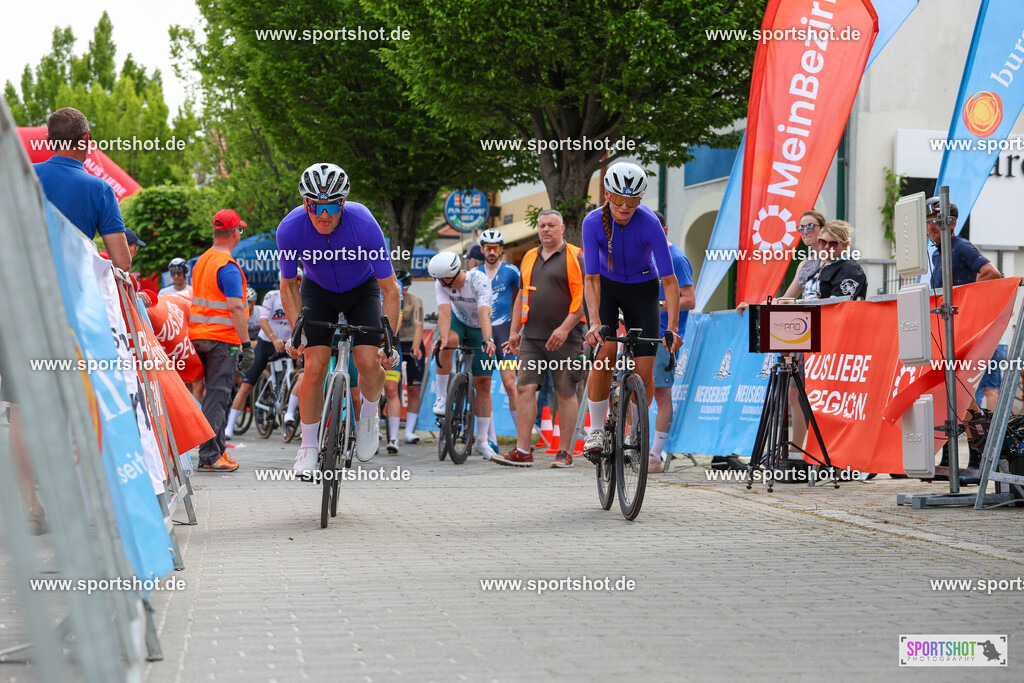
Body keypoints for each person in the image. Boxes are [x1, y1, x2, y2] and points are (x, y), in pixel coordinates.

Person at [279, 163, 401, 477]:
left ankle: (370, 418)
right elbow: (289, 284)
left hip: (363, 290)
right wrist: (297, 333)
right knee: (315, 365)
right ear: (305, 203)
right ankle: (307, 447)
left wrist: (389, 342)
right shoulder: (290, 228)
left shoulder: (363, 223)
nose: (323, 214)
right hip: (317, 291)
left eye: (332, 205)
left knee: (368, 361)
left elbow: (390, 288)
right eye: (315, 205)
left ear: (343, 203)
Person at [581, 162, 682, 456]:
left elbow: (670, 280)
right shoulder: (591, 222)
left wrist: (672, 328)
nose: (625, 207)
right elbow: (590, 278)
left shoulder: (649, 223)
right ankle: (596, 430)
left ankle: (637, 432)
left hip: (643, 287)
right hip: (607, 287)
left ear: (641, 199)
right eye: (618, 199)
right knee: (605, 353)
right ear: (608, 194)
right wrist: (595, 321)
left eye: (633, 201)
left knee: (645, 369)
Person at [492, 209, 586, 467]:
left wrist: (565, 328)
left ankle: (564, 452)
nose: (545, 229)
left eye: (551, 225)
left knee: (565, 391)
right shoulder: (529, 256)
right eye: (542, 225)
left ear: (562, 229)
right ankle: (523, 450)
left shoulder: (576, 256)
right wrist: (514, 331)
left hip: (566, 337)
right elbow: (521, 295)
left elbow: (585, 299)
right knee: (524, 388)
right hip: (531, 337)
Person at [736, 209, 825, 459]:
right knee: (793, 392)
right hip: (804, 331)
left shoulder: (831, 259)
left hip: (826, 332)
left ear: (822, 228)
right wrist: (756, 306)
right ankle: (796, 452)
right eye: (802, 228)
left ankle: (820, 452)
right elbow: (788, 298)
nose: (806, 232)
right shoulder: (806, 263)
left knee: (817, 393)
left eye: (811, 226)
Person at [189, 209, 255, 472]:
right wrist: (247, 344)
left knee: (212, 397)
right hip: (221, 341)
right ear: (235, 233)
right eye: (240, 229)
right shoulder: (227, 267)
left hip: (200, 337)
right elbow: (236, 308)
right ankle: (210, 456)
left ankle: (216, 452)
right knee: (217, 397)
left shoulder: (203, 260)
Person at [32, 107, 131, 272]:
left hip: (20, 284)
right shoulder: (101, 189)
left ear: (49, 141)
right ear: (86, 137)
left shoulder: (24, 175)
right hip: (72, 289)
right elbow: (122, 262)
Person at [428, 252, 498, 460]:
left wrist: (488, 339)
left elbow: (485, 312)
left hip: (480, 327)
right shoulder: (441, 283)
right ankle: (442, 397)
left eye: (442, 279)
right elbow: (444, 313)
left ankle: (483, 440)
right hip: (459, 323)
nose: (440, 283)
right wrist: (442, 338)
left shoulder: (479, 280)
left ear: (453, 273)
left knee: (484, 382)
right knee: (446, 342)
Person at [648, 211, 694, 473]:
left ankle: (656, 454)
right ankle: (634, 445)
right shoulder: (643, 255)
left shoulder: (676, 257)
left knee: (661, 394)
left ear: (663, 230)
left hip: (664, 337)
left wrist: (657, 305)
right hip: (639, 333)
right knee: (627, 388)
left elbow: (690, 299)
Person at [224, 283, 297, 439]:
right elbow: (262, 323)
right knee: (246, 385)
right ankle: (229, 427)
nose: (247, 306)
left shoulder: (300, 298)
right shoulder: (271, 296)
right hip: (260, 344)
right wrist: (271, 339)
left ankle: (283, 404)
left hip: (284, 343)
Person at [475, 229, 521, 451]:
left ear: (501, 249)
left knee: (510, 384)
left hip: (504, 332)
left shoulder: (512, 271)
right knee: (483, 385)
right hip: (482, 332)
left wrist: (518, 331)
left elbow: (526, 296)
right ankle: (490, 439)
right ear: (482, 249)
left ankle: (522, 442)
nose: (491, 252)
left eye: (495, 248)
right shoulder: (474, 273)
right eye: (487, 248)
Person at [926, 198, 1001, 288]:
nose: (930, 227)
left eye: (935, 221)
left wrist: (967, 297)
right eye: (926, 222)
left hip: (960, 303)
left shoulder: (961, 246)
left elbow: (991, 272)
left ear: (952, 223)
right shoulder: (936, 255)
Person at [396, 270, 426, 445]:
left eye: (406, 288)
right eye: (401, 287)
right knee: (392, 387)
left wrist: (416, 345)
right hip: (397, 342)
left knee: (414, 388)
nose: (404, 291)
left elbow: (419, 324)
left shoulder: (415, 300)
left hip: (412, 342)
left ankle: (409, 431)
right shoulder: (389, 296)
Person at [805, 220, 868, 301]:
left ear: (845, 245)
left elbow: (835, 305)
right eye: (823, 242)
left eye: (833, 243)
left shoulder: (850, 270)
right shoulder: (823, 267)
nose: (827, 246)